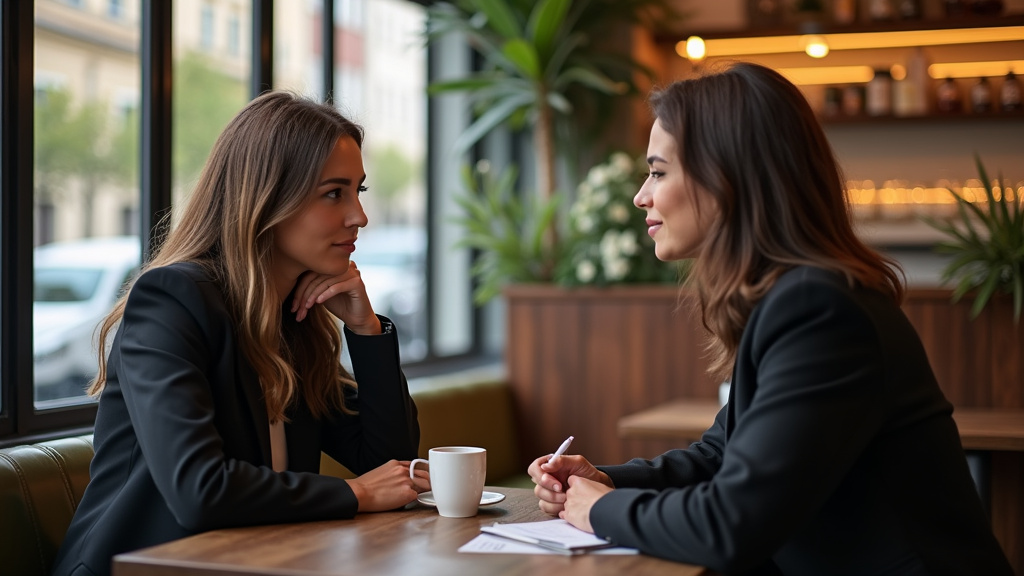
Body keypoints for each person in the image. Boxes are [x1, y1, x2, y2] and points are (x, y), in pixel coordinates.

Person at [528, 62, 1013, 575]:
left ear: (726, 178)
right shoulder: (793, 297)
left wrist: (599, 510)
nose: (640, 196)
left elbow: (731, 524)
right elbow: (721, 454)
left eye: (658, 171)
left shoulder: (821, 311)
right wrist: (606, 479)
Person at [53, 91, 428, 576]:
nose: (359, 216)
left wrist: (365, 329)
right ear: (268, 198)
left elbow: (387, 461)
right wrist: (354, 494)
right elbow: (199, 490)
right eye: (334, 193)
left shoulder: (293, 319)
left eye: (359, 191)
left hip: (258, 562)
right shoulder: (172, 300)